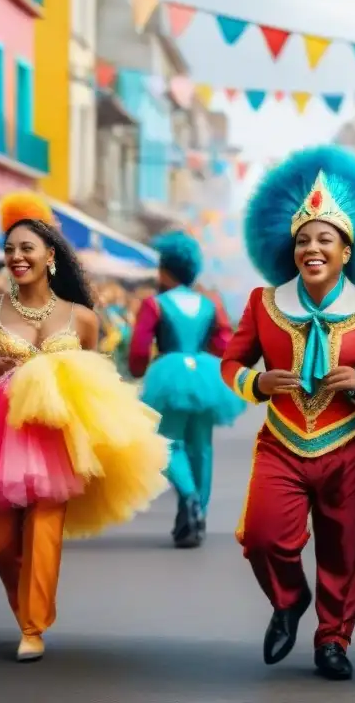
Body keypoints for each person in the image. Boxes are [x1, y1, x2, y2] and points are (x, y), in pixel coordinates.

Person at [0, 192, 169, 662]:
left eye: (26, 249)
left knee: (45, 529)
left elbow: (95, 377)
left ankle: (33, 626)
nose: (17, 257)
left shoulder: (82, 318)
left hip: (55, 433)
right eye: (9, 250)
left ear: (50, 256)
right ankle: (30, 600)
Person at [220, 145, 355, 681]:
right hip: (282, 441)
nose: (312, 247)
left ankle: (334, 638)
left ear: (346, 251)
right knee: (263, 538)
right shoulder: (264, 303)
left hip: (352, 445)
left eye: (324, 239)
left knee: (345, 551)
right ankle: (289, 599)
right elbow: (231, 363)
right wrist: (255, 382)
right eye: (303, 239)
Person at [128, 230, 244, 548]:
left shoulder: (154, 304)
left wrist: (139, 371)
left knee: (166, 442)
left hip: (168, 375)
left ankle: (189, 498)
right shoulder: (210, 304)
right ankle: (198, 516)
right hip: (205, 375)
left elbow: (138, 351)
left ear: (165, 270)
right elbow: (224, 345)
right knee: (202, 447)